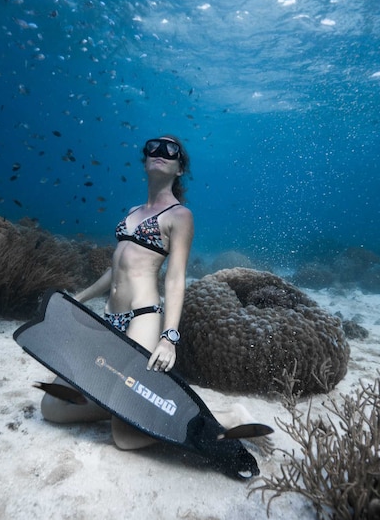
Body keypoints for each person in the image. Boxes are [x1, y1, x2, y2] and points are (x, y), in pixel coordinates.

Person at [40, 135, 253, 450]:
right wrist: (80, 299)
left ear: (180, 169)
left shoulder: (180, 216)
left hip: (143, 318)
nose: (160, 153)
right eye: (153, 148)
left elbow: (176, 278)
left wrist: (169, 337)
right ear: (145, 159)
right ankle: (127, 407)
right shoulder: (132, 211)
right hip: (109, 319)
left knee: (125, 438)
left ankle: (229, 417)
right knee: (53, 406)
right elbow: (116, 268)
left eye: (171, 150)